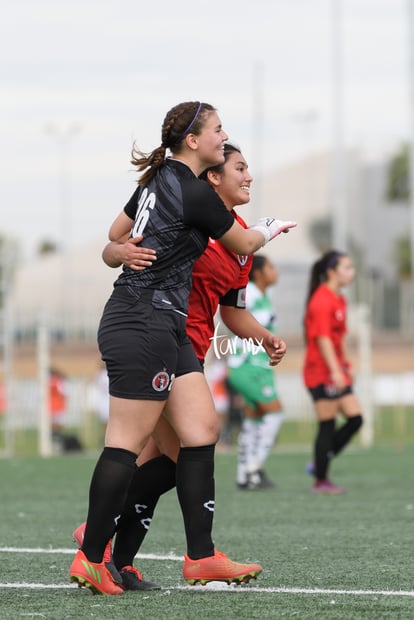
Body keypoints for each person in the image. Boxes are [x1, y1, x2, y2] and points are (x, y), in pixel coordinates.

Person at [69, 102, 295, 595]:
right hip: (143, 319)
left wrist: (117, 251)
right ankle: (94, 552)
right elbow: (247, 240)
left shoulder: (160, 182)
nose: (225, 138)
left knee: (201, 430)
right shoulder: (195, 193)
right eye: (218, 132)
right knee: (130, 446)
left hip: (165, 329)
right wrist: (271, 228)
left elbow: (115, 238)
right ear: (193, 142)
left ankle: (199, 557)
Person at [303, 250, 363, 494]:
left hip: (336, 369)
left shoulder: (340, 299)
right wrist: (336, 371)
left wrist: (347, 365)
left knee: (355, 418)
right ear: (331, 272)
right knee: (327, 425)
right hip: (320, 371)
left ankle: (319, 464)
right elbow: (323, 340)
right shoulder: (321, 300)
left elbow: (340, 338)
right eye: (347, 267)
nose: (352, 272)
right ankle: (321, 480)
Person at [227, 255, 286, 490]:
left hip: (261, 366)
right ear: (259, 272)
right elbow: (232, 316)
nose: (275, 271)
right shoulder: (249, 292)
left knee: (253, 419)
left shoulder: (264, 296)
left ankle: (244, 475)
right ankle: (254, 468)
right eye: (271, 267)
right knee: (275, 413)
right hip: (247, 365)